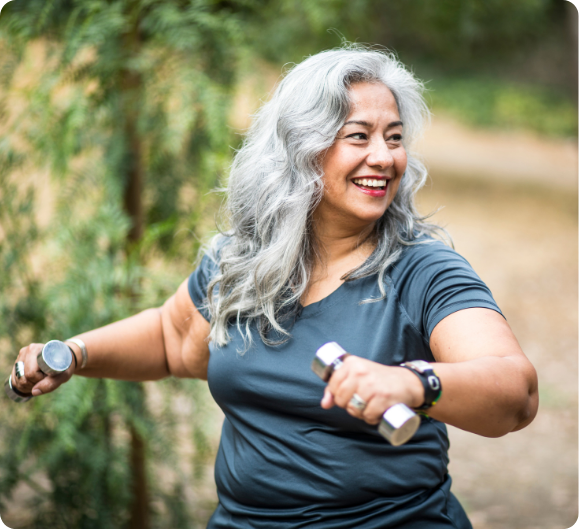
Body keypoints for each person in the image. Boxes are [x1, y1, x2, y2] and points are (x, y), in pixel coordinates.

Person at [10, 46, 539, 529]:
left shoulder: (424, 271)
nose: (384, 156)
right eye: (359, 136)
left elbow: (516, 393)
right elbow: (174, 340)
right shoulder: (241, 258)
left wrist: (414, 384)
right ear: (302, 149)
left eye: (394, 137)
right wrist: (74, 353)